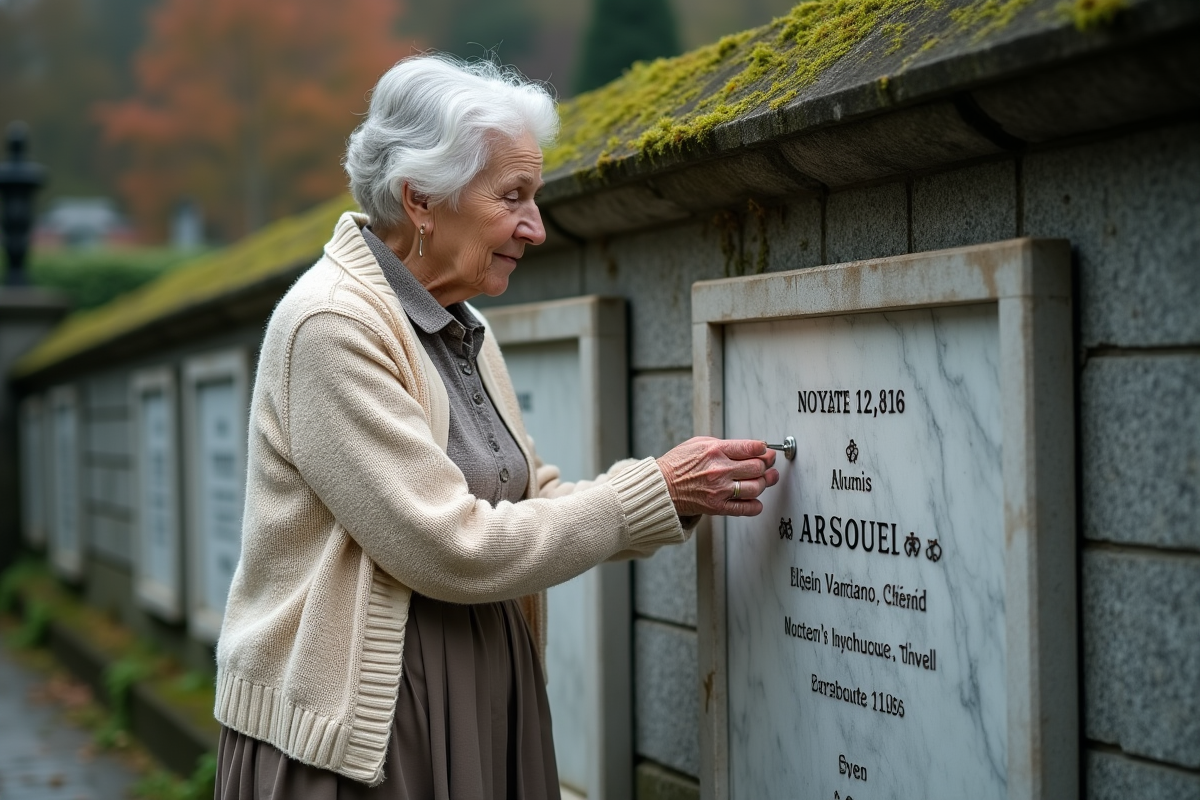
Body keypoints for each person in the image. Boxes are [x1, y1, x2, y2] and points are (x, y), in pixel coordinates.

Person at [213, 54, 778, 800]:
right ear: (421, 198)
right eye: (513, 197)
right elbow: (448, 546)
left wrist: (676, 495)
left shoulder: (459, 323)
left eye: (533, 197)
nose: (536, 228)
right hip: (368, 740)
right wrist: (647, 489)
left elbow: (529, 497)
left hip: (481, 693)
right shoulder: (331, 326)